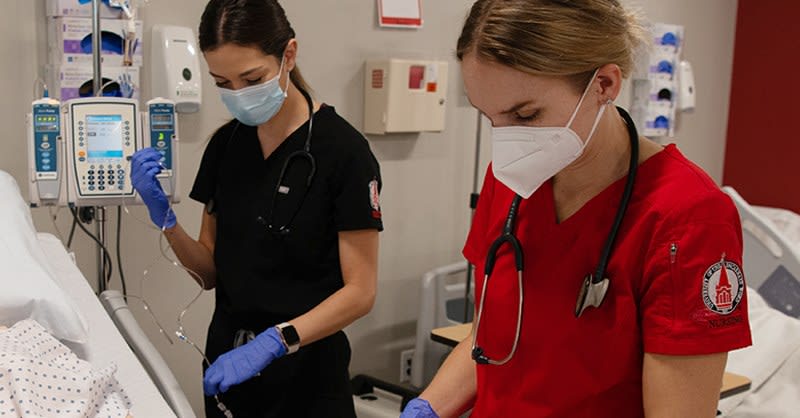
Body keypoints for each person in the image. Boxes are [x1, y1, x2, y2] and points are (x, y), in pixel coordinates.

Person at [401, 1, 751, 417]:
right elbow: (487, 338)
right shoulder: (510, 180)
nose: (507, 141)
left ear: (604, 83)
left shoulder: (687, 218)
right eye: (488, 117)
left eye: (526, 115)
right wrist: (426, 408)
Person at [130, 0, 383, 416]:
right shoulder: (226, 146)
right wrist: (166, 220)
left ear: (289, 54)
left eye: (251, 78)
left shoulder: (344, 153)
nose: (239, 95)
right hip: (229, 368)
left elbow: (360, 292)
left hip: (308, 378)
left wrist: (277, 340)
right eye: (222, 83)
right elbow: (208, 272)